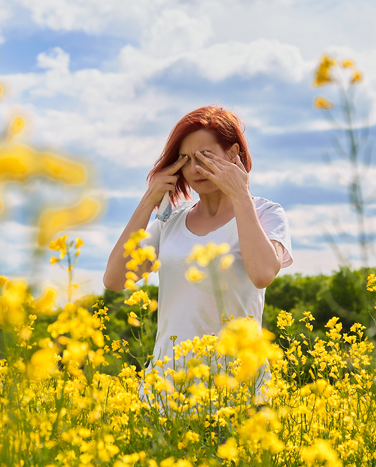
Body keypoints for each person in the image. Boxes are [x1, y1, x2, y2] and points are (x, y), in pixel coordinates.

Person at [103, 105, 293, 385]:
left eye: (205, 156)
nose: (194, 168)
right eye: (185, 159)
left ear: (233, 154)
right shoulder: (170, 221)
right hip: (167, 388)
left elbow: (263, 273)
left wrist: (240, 193)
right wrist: (148, 201)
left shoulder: (265, 213)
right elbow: (115, 279)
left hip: (236, 386)